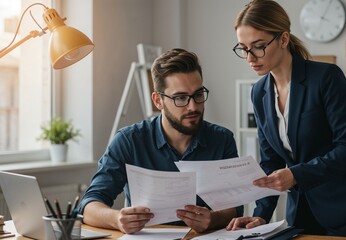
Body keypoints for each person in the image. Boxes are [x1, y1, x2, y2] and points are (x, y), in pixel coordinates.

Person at [226, 0, 346, 238]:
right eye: (243, 48)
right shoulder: (259, 92)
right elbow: (271, 161)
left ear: (284, 39)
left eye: (258, 46)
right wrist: (261, 214)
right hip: (301, 211)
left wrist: (296, 175)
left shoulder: (326, 77)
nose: (250, 57)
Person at [78, 48, 243, 234]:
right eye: (180, 98)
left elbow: (235, 208)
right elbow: (89, 205)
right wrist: (117, 220)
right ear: (158, 101)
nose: (193, 106)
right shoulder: (128, 141)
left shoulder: (222, 140)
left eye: (198, 95)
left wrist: (212, 219)